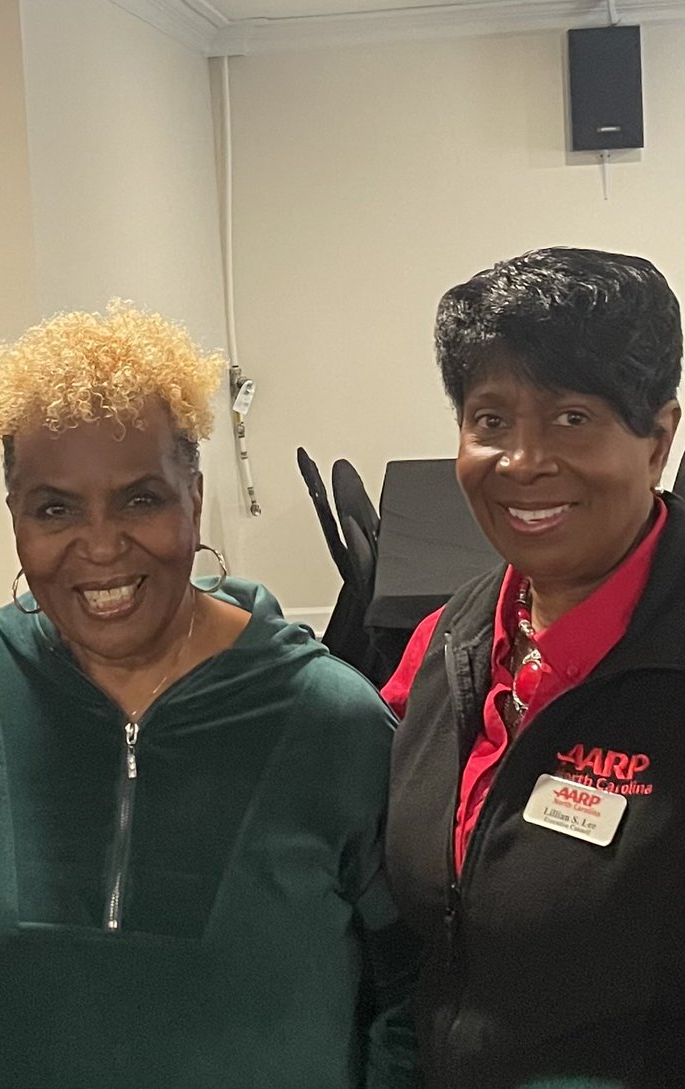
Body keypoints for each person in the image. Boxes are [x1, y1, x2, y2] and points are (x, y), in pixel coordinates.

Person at [0, 301, 419, 1089]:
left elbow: (408, 999)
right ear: (14, 516)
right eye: (55, 508)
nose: (103, 545)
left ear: (196, 496)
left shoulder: (328, 720)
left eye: (141, 498)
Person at [384, 248, 684, 1089]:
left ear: (658, 439)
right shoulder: (451, 640)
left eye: (572, 418)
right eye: (490, 420)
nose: (521, 461)